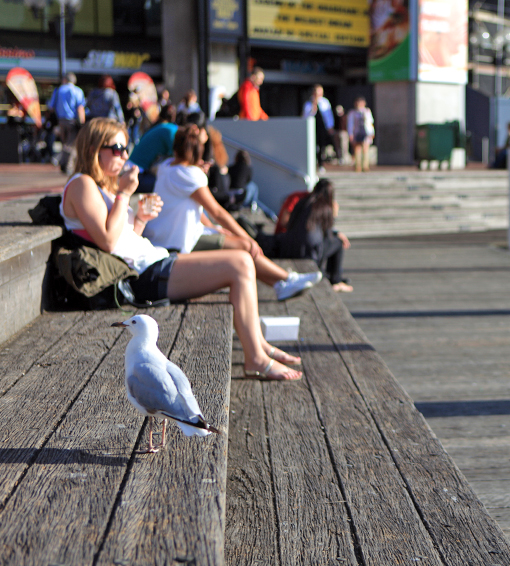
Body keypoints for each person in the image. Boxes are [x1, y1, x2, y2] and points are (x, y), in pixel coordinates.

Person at [61, 118, 304, 380]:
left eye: (125, 148)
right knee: (241, 263)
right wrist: (123, 194)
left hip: (152, 262)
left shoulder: (102, 187)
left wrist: (140, 218)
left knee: (243, 261)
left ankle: (259, 346)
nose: (125, 155)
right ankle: (255, 357)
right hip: (140, 278)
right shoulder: (81, 184)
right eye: (117, 148)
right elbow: (107, 243)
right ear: (93, 149)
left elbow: (123, 240)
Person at [143, 124, 320, 301]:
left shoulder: (166, 167)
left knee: (241, 246)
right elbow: (218, 212)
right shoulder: (190, 175)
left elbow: (189, 206)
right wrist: (248, 238)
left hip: (170, 236)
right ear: (198, 153)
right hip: (178, 241)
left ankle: (282, 282)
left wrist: (212, 227)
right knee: (245, 247)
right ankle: (285, 280)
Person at [257, 179, 352, 292]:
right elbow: (328, 234)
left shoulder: (302, 201)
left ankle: (331, 277)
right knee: (338, 243)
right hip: (310, 252)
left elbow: (288, 224)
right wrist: (334, 214)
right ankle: (336, 280)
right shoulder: (325, 207)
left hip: (288, 247)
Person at [128, 104, 179, 193]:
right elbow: (178, 158)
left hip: (135, 170)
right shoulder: (171, 131)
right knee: (170, 183)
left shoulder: (163, 127)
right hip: (138, 173)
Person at [47, 72, 86, 170]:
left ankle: (63, 164)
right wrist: (82, 122)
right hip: (72, 120)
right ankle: (66, 164)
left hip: (61, 120)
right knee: (71, 143)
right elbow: (80, 107)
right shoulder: (78, 91)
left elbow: (51, 106)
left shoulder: (59, 90)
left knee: (65, 142)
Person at [302, 84, 335, 173]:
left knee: (322, 146)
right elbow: (305, 116)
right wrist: (314, 106)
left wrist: (330, 126)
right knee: (312, 146)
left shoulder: (325, 102)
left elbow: (329, 115)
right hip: (312, 128)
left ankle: (321, 164)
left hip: (322, 128)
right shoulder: (308, 103)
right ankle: (312, 165)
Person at [346, 96, 374, 172]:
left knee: (365, 149)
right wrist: (350, 134)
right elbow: (350, 124)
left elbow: (370, 123)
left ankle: (365, 166)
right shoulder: (352, 113)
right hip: (357, 132)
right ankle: (357, 166)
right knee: (357, 150)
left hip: (365, 132)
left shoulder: (367, 111)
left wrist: (372, 132)